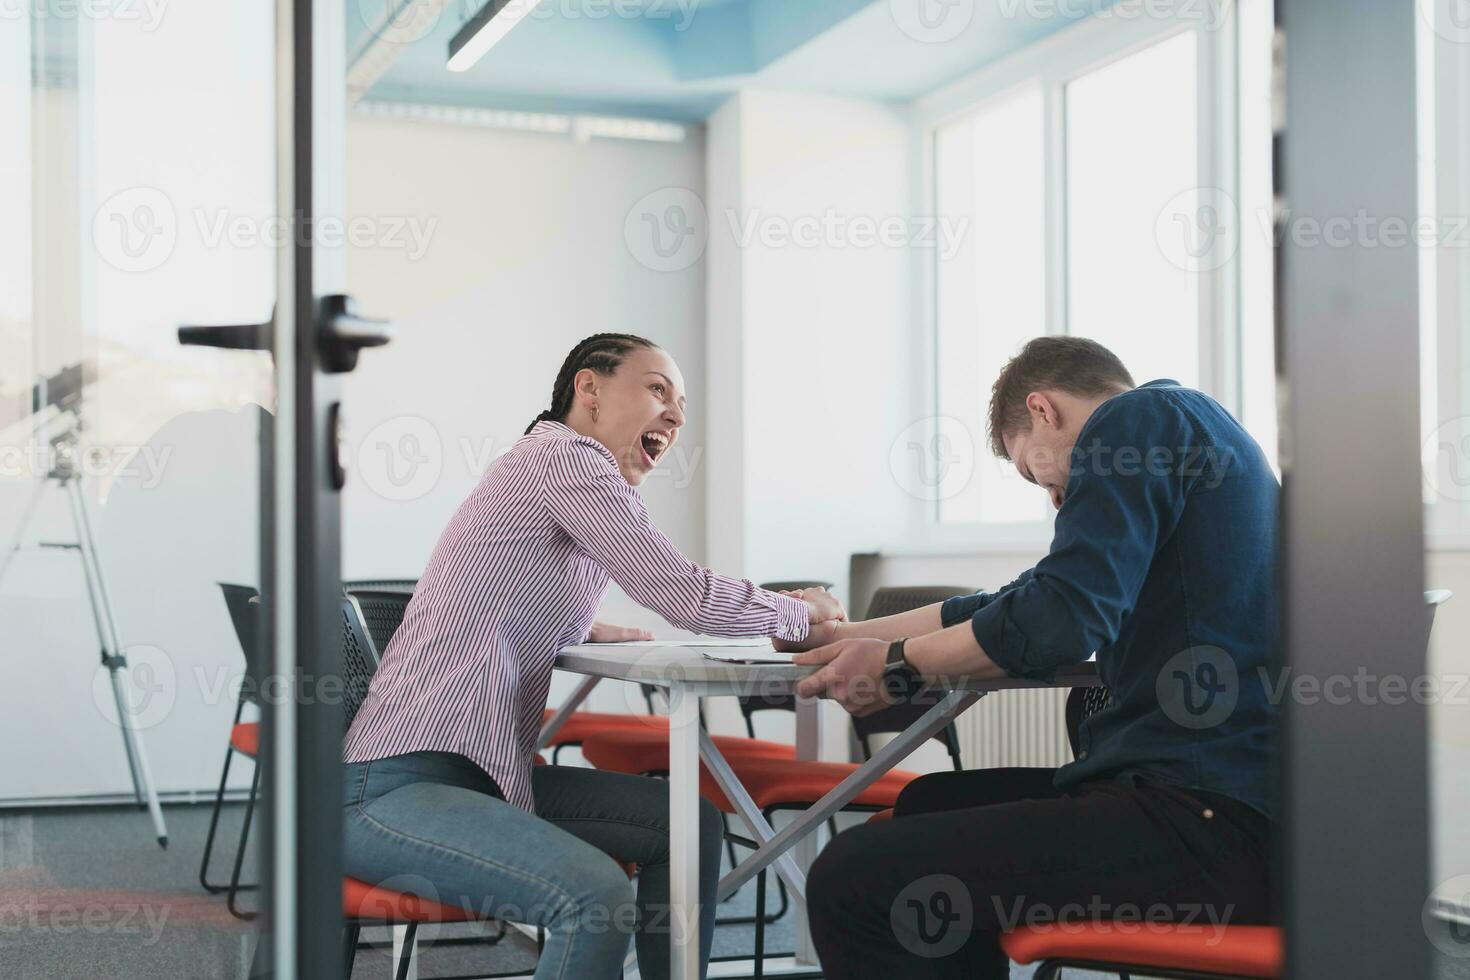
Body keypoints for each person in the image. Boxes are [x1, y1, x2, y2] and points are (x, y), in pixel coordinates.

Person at [342, 333, 845, 980]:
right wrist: (800, 615)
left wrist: (577, 624)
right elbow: (684, 595)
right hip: (393, 790)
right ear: (590, 390)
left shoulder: (544, 465)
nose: (676, 414)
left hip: (473, 779)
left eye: (682, 404)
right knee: (594, 895)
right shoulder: (568, 457)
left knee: (687, 826)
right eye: (657, 389)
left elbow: (499, 584)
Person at [790, 336, 1278, 978]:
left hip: (1206, 822)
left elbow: (1061, 619)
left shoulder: (1132, 422)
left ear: (1043, 410)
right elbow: (1015, 602)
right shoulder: (1190, 431)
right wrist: (846, 635)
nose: (1051, 497)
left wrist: (898, 666)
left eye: (1033, 471)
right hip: (1223, 806)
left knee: (852, 878)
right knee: (923, 804)